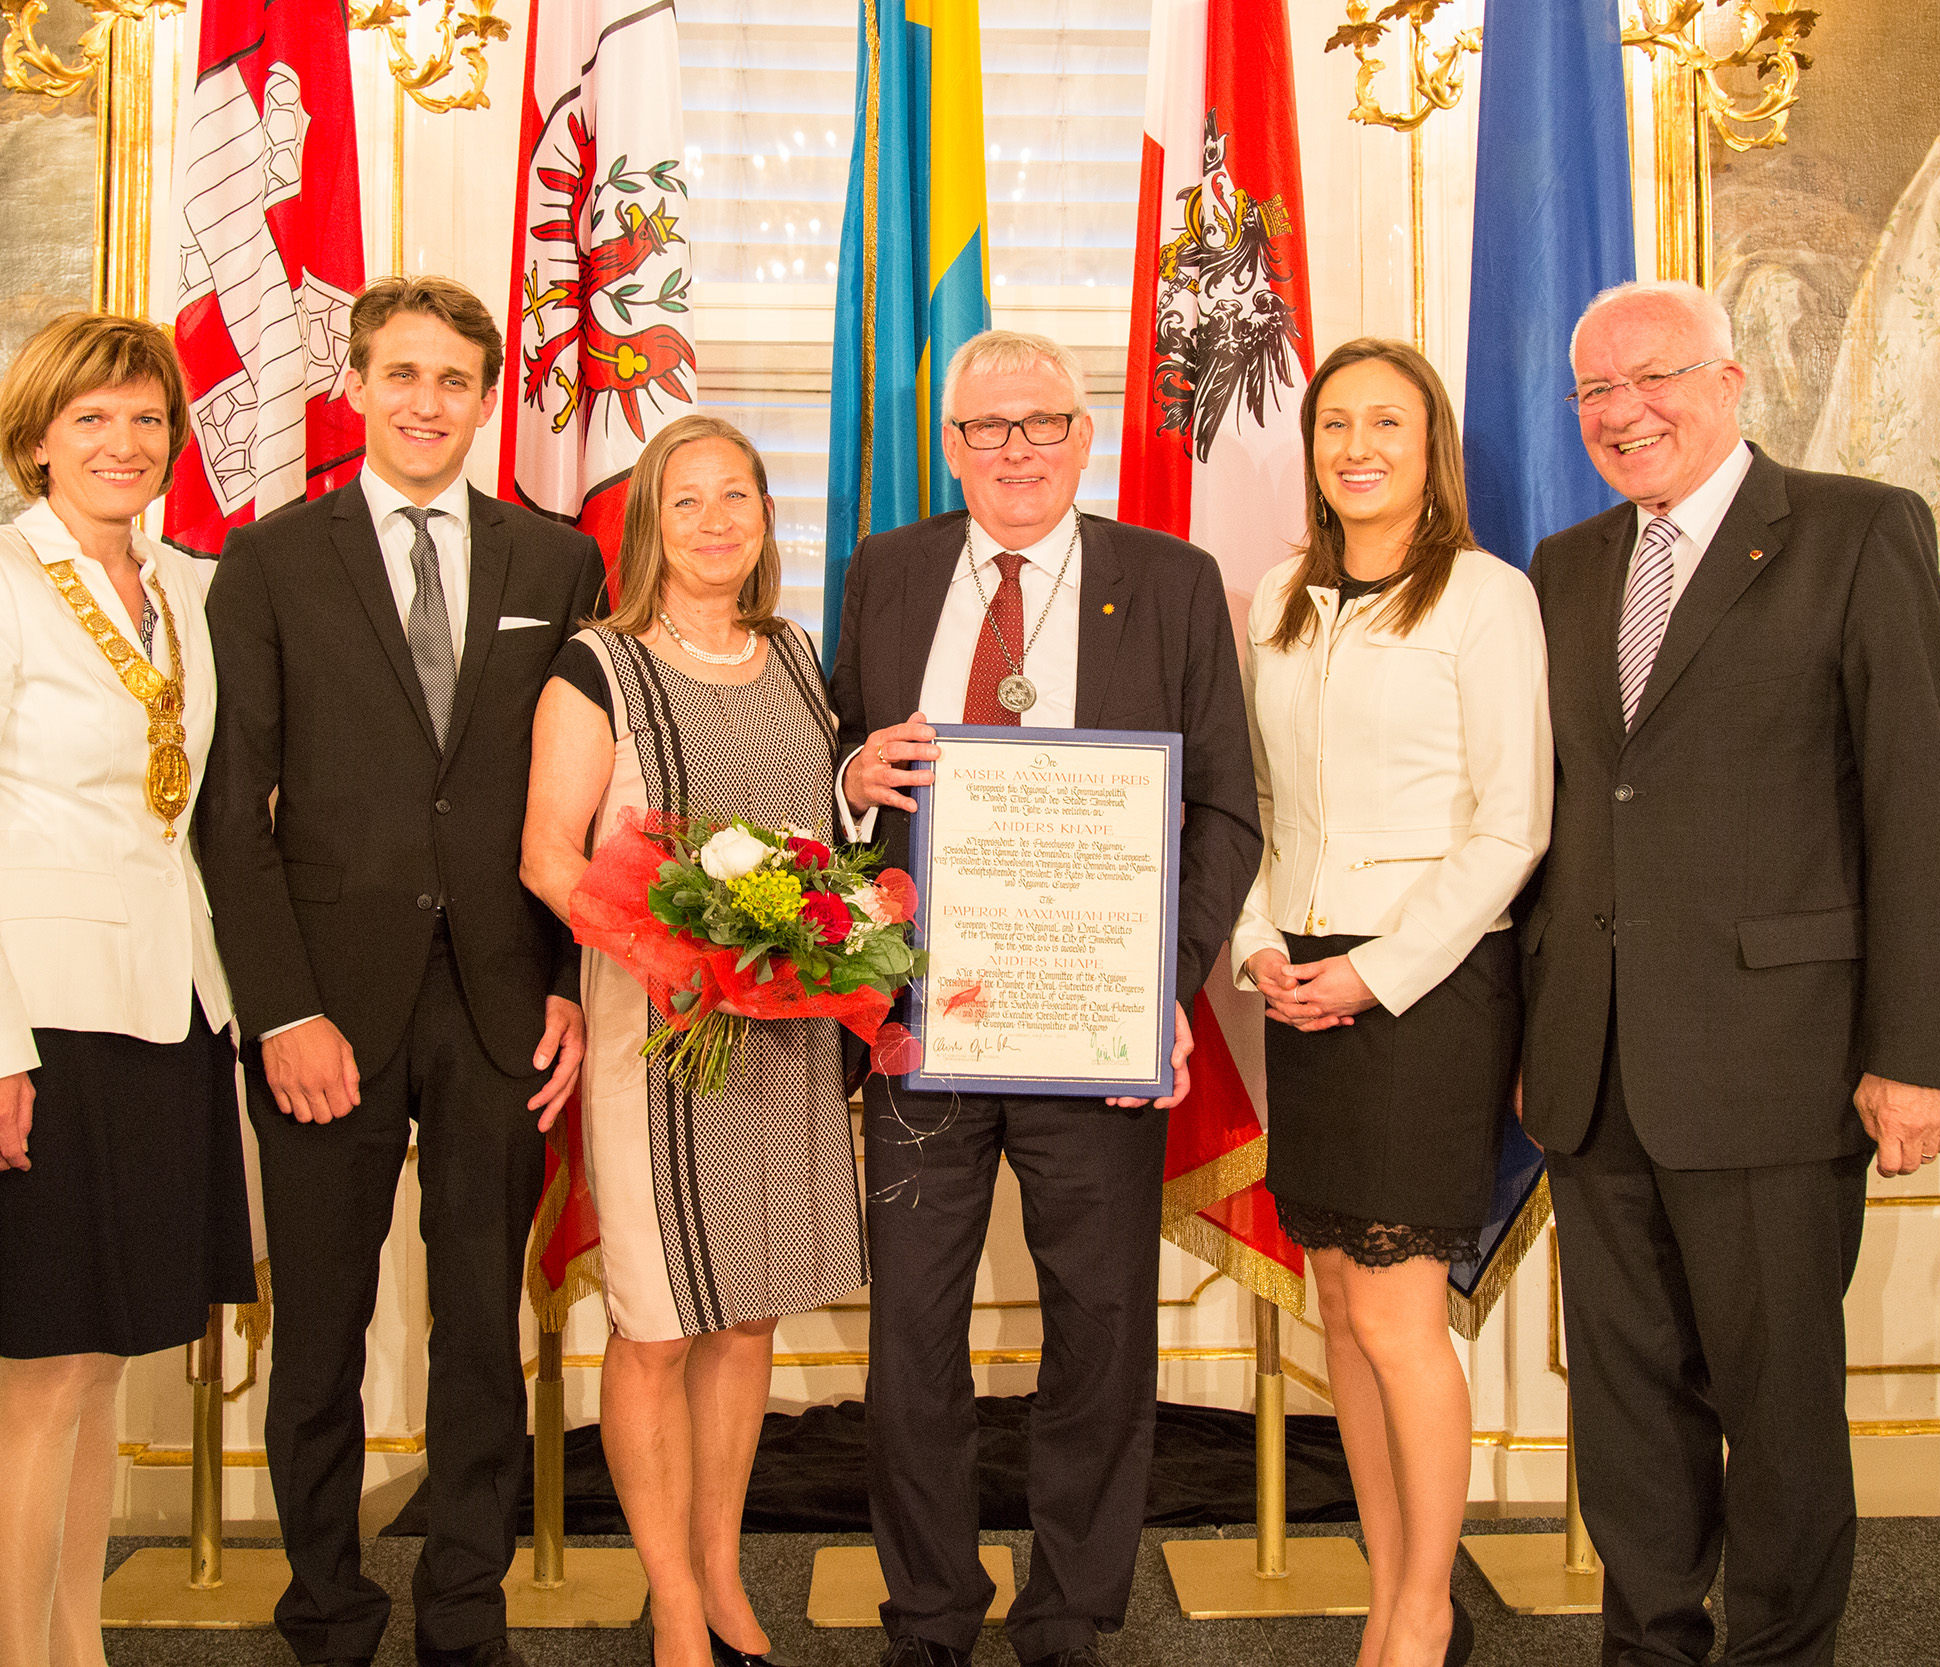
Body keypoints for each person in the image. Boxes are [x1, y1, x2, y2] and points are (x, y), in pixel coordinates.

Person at [1523, 279, 1940, 1667]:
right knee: (1629, 1405)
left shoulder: (1856, 531)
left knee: (1777, 1407)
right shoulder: (1567, 562)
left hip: (1777, 1060)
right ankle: (1647, 1643)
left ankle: (1784, 1651)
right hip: (1595, 1072)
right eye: (1595, 391)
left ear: (1730, 379)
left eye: (1651, 378)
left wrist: (1918, 1052)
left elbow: (1917, 810)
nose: (1623, 412)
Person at [832, 328, 1262, 1667]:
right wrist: (852, 781)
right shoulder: (887, 574)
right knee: (912, 1336)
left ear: (1087, 435)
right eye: (985, 429)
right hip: (922, 1025)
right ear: (947, 446)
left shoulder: (1173, 579)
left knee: (1100, 1329)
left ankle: (1071, 1607)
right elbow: (840, 782)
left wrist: (1163, 996)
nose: (1014, 449)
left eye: (1042, 423)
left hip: (1099, 1034)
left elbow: (1225, 813)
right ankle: (930, 1606)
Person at [192, 275, 602, 1667]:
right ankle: (326, 1611)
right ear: (354, 386)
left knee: (481, 1327)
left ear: (488, 399)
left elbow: (585, 802)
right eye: (404, 374)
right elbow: (227, 812)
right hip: (326, 1007)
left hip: (501, 1002)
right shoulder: (270, 564)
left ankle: (465, 1615)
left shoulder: (558, 566)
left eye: (456, 380)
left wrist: (563, 983)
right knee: (319, 1331)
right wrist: (283, 1008)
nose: (429, 401)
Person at [0, 312, 253, 1667]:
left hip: (165, 1008)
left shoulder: (186, 584)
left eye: (147, 417)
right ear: (37, 434)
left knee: (107, 1368)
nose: (124, 442)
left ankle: (76, 1641)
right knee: (42, 1371)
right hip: (34, 1024)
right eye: (93, 417)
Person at [521, 413, 860, 1667]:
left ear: (767, 519)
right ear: (646, 520)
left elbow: (817, 835)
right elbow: (546, 852)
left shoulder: (796, 654)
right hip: (656, 1033)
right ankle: (668, 1594)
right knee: (658, 1322)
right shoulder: (595, 665)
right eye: (688, 499)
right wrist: (668, 950)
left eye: (739, 497)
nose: (716, 521)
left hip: (781, 1036)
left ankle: (721, 1569)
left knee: (745, 1314)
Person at [1230, 338, 1549, 1667]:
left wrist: (1378, 966)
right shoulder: (1276, 595)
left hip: (1427, 981)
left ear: (1433, 452)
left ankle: (1425, 1608)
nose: (1357, 445)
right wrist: (1256, 945)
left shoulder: (1486, 597)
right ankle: (1389, 1584)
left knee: (1405, 1312)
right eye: (1335, 423)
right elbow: (1248, 799)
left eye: (1388, 424)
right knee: (1342, 1310)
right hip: (1296, 977)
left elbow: (1514, 821)